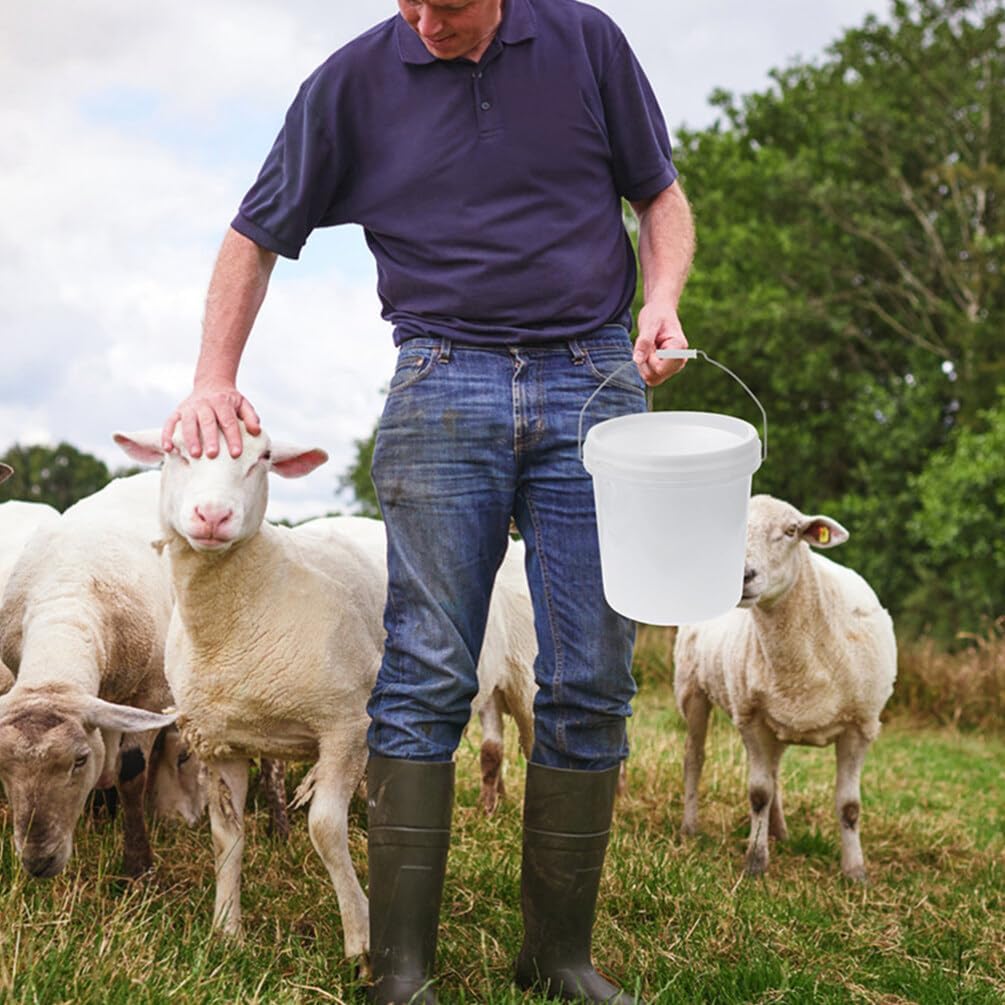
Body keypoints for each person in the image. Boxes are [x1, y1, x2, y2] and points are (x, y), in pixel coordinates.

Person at [163, 1, 695, 1002]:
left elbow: (660, 198)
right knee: (426, 669)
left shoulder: (586, 42)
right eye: (406, 0)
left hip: (593, 377)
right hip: (442, 380)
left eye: (444, 6)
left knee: (589, 672)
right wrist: (210, 375)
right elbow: (254, 231)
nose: (422, 21)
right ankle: (400, 970)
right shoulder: (355, 78)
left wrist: (660, 299)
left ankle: (560, 957)